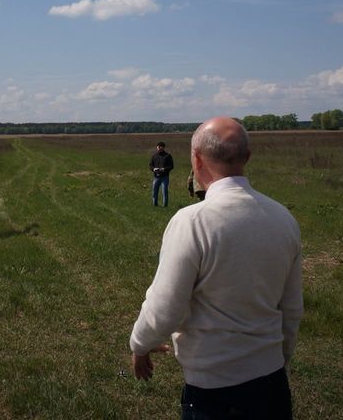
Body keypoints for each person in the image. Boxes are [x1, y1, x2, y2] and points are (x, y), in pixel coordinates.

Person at [130, 117, 303, 419]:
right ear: (247, 158)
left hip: (213, 391)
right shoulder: (283, 218)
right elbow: (292, 309)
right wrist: (278, 359)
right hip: (272, 384)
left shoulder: (192, 222)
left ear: (196, 160)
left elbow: (166, 308)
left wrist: (140, 344)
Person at [149, 141, 175, 207]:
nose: (158, 148)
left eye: (160, 147)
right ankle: (155, 204)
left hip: (165, 177)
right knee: (154, 191)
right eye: (157, 147)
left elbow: (171, 166)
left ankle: (165, 206)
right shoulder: (154, 156)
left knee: (164, 192)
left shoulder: (168, 156)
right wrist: (153, 169)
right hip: (156, 177)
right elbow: (150, 165)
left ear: (163, 147)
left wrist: (164, 169)